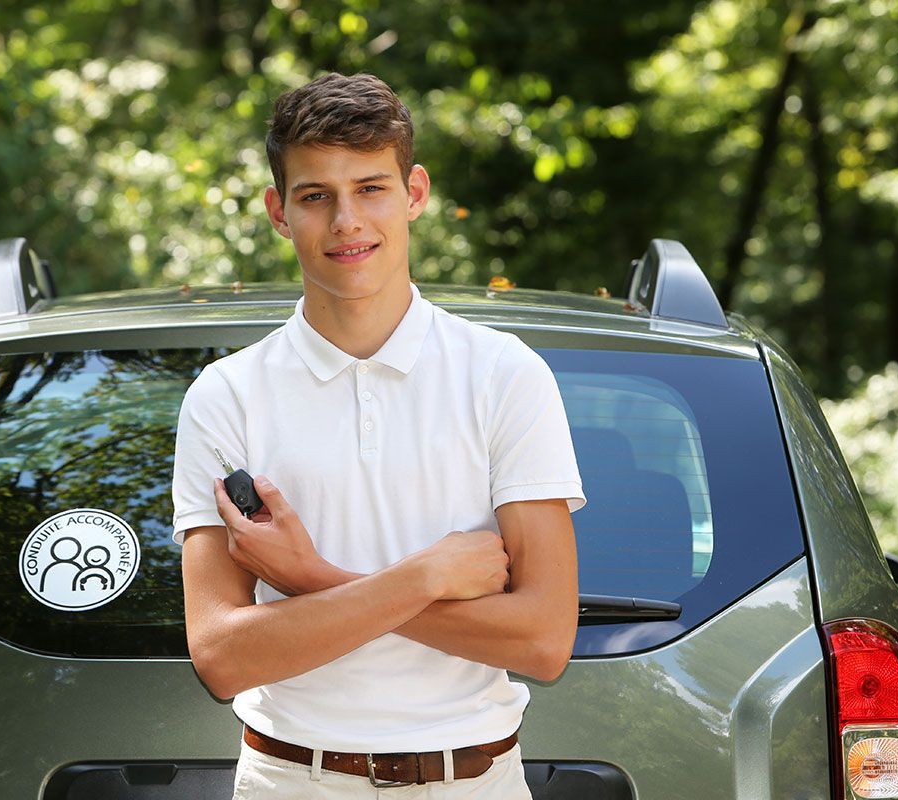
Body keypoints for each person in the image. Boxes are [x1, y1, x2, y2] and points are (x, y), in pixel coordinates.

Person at [170, 72, 586, 799]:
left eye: (371, 188)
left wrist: (312, 581)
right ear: (278, 210)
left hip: (475, 781)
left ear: (414, 193)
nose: (346, 222)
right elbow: (222, 658)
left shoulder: (504, 375)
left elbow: (544, 641)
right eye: (315, 196)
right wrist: (424, 577)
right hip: (290, 780)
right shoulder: (226, 396)